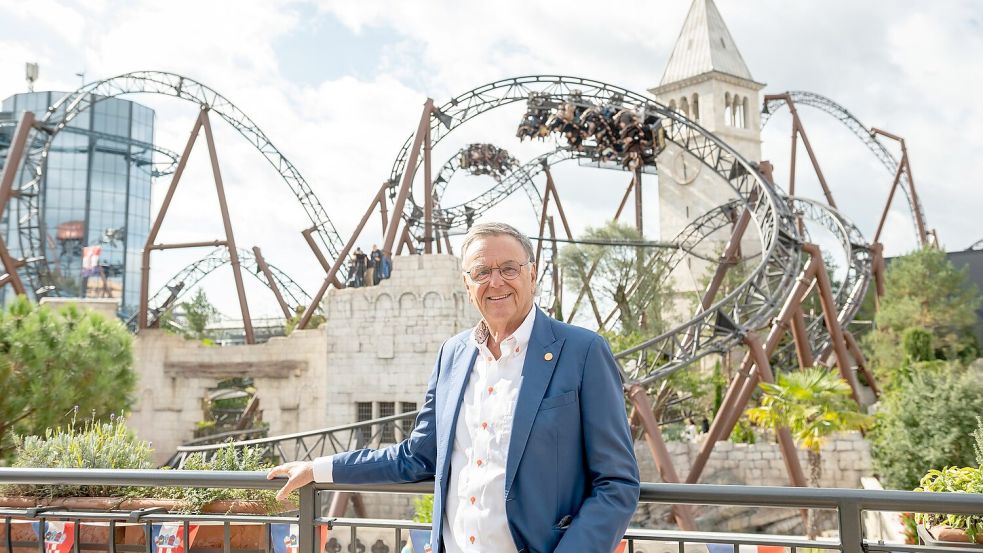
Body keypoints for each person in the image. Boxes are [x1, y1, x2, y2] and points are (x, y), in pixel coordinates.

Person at [268, 222, 639, 553]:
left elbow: (617, 483)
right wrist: (319, 468)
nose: (495, 282)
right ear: (466, 283)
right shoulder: (453, 354)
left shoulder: (582, 351)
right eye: (481, 272)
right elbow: (417, 456)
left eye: (509, 268)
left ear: (532, 274)